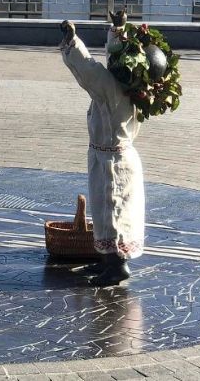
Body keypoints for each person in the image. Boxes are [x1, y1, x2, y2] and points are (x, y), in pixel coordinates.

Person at [59, 17, 145, 287]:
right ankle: (107, 259)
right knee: (108, 210)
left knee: (112, 211)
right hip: (114, 156)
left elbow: (89, 70)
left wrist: (72, 42)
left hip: (111, 161)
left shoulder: (111, 88)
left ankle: (116, 265)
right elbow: (113, 58)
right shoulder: (132, 87)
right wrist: (118, 30)